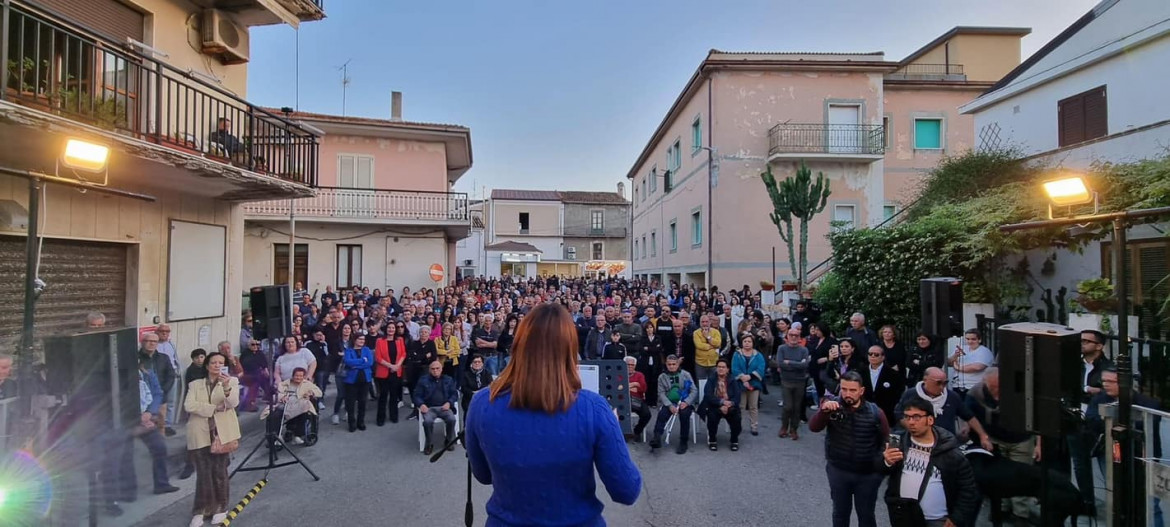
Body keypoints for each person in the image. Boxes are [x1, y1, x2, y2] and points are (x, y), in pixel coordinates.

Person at [466, 303, 641, 525]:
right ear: (569, 348)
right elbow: (627, 490)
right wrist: (613, 430)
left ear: (520, 344)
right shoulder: (594, 409)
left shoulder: (482, 402)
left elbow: (483, 475)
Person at [880, 397, 981, 527]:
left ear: (930, 420)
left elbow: (968, 490)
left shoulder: (951, 453)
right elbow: (879, 467)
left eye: (916, 417)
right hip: (904, 517)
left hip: (938, 520)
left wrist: (957, 518)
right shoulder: (898, 443)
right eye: (907, 417)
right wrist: (886, 462)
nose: (911, 422)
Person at [809, 371, 890, 527]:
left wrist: (879, 470)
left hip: (867, 475)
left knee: (866, 516)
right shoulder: (832, 406)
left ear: (861, 391)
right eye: (844, 389)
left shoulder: (875, 412)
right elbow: (814, 427)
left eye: (852, 390)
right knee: (840, 514)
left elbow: (887, 441)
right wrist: (824, 412)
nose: (847, 394)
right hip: (839, 471)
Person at [964, 367, 1038, 520]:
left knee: (1021, 478)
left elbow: (1037, 416)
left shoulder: (1021, 391)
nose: (996, 391)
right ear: (985, 383)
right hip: (995, 439)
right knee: (1000, 479)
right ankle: (1002, 510)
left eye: (1000, 387)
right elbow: (969, 415)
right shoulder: (975, 393)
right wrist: (981, 435)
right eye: (993, 387)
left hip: (1021, 439)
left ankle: (1020, 515)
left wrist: (1039, 444)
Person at [184, 352, 240, 527]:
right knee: (203, 474)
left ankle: (221, 508)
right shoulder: (195, 384)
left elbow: (233, 403)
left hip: (222, 433)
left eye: (221, 363)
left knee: (219, 472)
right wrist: (213, 408)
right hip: (199, 432)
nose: (217, 365)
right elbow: (188, 405)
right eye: (213, 362)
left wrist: (226, 388)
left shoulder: (232, 382)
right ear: (207, 366)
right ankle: (201, 510)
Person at [1069, 329, 1113, 514]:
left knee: (1107, 462)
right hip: (1076, 417)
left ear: (1099, 346)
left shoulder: (1108, 367)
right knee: (1080, 463)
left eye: (1086, 341)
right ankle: (1087, 503)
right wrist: (1088, 389)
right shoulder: (1074, 364)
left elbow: (1110, 391)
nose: (1082, 344)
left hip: (1098, 420)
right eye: (1080, 340)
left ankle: (1115, 504)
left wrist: (1092, 390)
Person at [895, 368, 994, 452]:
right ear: (925, 380)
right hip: (916, 443)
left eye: (945, 383)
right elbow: (898, 414)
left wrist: (983, 436)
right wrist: (914, 427)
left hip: (946, 444)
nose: (942, 386)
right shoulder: (911, 394)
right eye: (938, 383)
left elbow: (969, 416)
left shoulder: (952, 396)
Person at [649, 354, 698, 455]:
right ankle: (657, 438)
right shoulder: (662, 377)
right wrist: (669, 405)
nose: (671, 366)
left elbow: (694, 390)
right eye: (669, 364)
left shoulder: (685, 374)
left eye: (673, 364)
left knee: (684, 415)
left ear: (677, 364)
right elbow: (661, 393)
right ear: (666, 365)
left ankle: (683, 441)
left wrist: (687, 402)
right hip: (669, 402)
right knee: (662, 414)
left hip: (684, 402)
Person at [414, 360, 459, 455]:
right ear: (429, 370)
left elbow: (454, 394)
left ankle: (448, 440)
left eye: (437, 368)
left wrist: (449, 403)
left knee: (451, 419)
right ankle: (429, 444)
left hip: (444, 407)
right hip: (429, 408)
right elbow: (416, 396)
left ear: (442, 369)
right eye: (433, 369)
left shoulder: (448, 379)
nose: (435, 371)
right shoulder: (423, 380)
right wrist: (421, 404)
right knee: (427, 422)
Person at [271, 367, 322, 445]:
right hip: (287, 405)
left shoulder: (307, 384)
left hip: (300, 405)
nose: (298, 377)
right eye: (296, 376)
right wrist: (282, 397)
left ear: (304, 376)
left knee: (303, 412)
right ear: (293, 376)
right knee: (275, 414)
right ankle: (278, 435)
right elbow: (277, 393)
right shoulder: (285, 383)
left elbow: (319, 392)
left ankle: (297, 435)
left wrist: (311, 393)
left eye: (300, 376)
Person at [178, 349, 208, 480]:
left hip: (210, 405)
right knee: (194, 438)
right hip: (197, 406)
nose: (200, 360)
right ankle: (189, 464)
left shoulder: (208, 369)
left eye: (202, 357)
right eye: (197, 357)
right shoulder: (192, 371)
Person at [700, 358, 743, 451]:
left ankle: (734, 440)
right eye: (719, 367)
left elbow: (737, 396)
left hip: (730, 406)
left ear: (727, 369)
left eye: (723, 367)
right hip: (715, 405)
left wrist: (729, 404)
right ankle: (712, 440)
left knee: (736, 417)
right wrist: (721, 403)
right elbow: (708, 395)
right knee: (712, 416)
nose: (721, 369)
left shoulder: (733, 380)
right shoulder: (711, 379)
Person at [139, 332, 177, 433]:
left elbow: (171, 376)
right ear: (142, 342)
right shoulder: (136, 358)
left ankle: (161, 443)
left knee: (161, 424)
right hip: (142, 398)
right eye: (149, 341)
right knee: (143, 426)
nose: (152, 344)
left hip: (160, 396)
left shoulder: (163, 358)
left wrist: (164, 390)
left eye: (155, 341)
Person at [777, 328, 811, 439]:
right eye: (791, 335)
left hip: (800, 381)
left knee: (797, 407)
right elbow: (781, 364)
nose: (793, 337)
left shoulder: (804, 350)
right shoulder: (781, 348)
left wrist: (789, 363)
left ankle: (793, 429)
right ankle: (784, 427)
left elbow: (805, 366)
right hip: (786, 380)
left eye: (796, 335)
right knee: (788, 407)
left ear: (799, 337)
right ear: (787, 336)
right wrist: (797, 364)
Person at [730, 333, 765, 437]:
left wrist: (750, 376)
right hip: (740, 384)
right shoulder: (737, 354)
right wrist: (742, 377)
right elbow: (734, 368)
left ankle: (754, 426)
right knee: (740, 406)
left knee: (753, 406)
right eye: (745, 341)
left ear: (753, 343)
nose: (747, 343)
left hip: (754, 383)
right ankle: (738, 426)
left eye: (749, 341)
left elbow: (761, 368)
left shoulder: (758, 355)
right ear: (742, 343)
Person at [863, 345, 905, 426]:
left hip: (886, 414)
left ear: (883, 357)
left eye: (876, 354)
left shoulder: (893, 374)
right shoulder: (861, 372)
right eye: (870, 354)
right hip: (865, 413)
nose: (872, 356)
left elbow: (898, 393)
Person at [373, 323, 407, 425]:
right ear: (386, 329)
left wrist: (397, 365)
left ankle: (394, 416)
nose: (391, 329)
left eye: (393, 328)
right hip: (384, 372)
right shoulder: (379, 341)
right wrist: (391, 366)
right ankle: (380, 419)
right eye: (389, 328)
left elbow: (403, 354)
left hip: (396, 372)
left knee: (394, 395)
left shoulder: (399, 340)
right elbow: (378, 357)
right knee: (383, 396)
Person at [947, 329, 994, 397]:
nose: (970, 341)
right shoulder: (962, 348)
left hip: (974, 387)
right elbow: (948, 363)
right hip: (957, 386)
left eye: (973, 339)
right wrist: (955, 356)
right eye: (968, 339)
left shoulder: (984, 351)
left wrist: (958, 367)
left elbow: (978, 367)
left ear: (979, 340)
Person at [342, 334, 374, 432]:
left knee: (363, 402)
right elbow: (348, 362)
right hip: (351, 381)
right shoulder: (349, 350)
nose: (362, 341)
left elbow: (370, 363)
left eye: (363, 339)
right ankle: (351, 423)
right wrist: (362, 361)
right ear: (355, 340)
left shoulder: (367, 350)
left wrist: (356, 365)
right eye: (360, 339)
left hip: (365, 379)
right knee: (350, 403)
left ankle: (361, 422)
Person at [624, 355, 651, 440]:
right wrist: (635, 384)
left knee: (647, 414)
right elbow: (618, 388)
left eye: (632, 365)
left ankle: (637, 431)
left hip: (636, 400)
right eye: (628, 364)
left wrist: (627, 386)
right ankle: (624, 432)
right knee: (617, 413)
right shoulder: (619, 374)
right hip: (622, 400)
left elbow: (643, 389)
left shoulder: (639, 375)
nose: (630, 366)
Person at [636, 322, 664, 404]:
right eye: (647, 328)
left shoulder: (658, 337)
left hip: (656, 363)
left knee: (654, 381)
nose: (649, 329)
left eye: (651, 327)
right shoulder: (643, 338)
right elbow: (641, 350)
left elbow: (659, 349)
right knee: (646, 381)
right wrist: (653, 348)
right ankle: (647, 400)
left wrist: (648, 348)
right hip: (645, 363)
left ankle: (653, 401)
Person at [692, 314, 722, 380]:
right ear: (699, 323)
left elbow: (718, 343)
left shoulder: (716, 332)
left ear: (710, 322)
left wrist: (708, 337)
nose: (705, 324)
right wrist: (712, 346)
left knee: (714, 382)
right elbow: (699, 345)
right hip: (700, 363)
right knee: (701, 382)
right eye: (702, 322)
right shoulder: (696, 333)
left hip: (714, 362)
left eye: (706, 322)